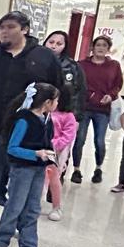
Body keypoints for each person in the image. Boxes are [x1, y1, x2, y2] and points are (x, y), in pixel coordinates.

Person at [0, 12, 62, 233]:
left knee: (21, 180)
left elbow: (55, 89)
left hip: (26, 132)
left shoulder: (44, 57)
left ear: (25, 29)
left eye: (10, 27)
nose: (4, 31)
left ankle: (20, 224)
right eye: (1, 27)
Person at [0, 83, 58, 247]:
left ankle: (28, 244)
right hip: (22, 170)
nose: (57, 104)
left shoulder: (47, 120)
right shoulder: (23, 119)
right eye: (56, 100)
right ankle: (0, 240)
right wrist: (35, 153)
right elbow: (12, 148)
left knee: (33, 207)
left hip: (39, 170)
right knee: (15, 205)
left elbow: (47, 142)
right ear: (47, 102)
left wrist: (49, 154)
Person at [71, 35, 123, 185]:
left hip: (103, 109)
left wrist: (111, 95)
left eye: (104, 45)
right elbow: (76, 84)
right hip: (84, 108)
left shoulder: (114, 65)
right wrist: (89, 95)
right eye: (98, 45)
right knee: (79, 139)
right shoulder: (81, 64)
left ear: (108, 49)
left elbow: (118, 84)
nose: (101, 48)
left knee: (99, 141)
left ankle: (98, 169)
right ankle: (76, 170)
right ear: (92, 48)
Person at [45, 93, 77, 221]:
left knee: (54, 179)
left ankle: (56, 207)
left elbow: (68, 135)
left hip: (57, 153)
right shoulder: (45, 112)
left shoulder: (69, 116)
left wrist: (54, 145)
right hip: (41, 148)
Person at [42, 31, 86, 120]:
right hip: (36, 110)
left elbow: (78, 93)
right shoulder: (34, 61)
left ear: (65, 47)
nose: (53, 46)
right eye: (51, 42)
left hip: (61, 113)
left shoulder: (72, 66)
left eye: (59, 44)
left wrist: (76, 118)